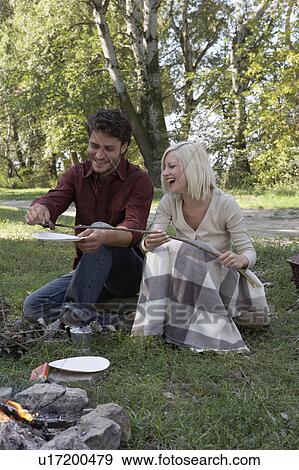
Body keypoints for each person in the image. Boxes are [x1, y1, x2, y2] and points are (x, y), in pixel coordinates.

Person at [131, 141, 270, 353]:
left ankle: (205, 330)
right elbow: (152, 237)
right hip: (184, 277)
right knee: (159, 250)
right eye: (165, 167)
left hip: (220, 277)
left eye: (172, 166)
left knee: (193, 249)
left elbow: (249, 252)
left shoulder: (225, 204)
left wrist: (240, 259)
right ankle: (150, 329)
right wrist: (148, 242)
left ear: (192, 167)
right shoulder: (170, 201)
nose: (165, 172)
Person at [24, 109, 154, 325]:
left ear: (124, 147)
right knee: (33, 306)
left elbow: (134, 229)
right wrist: (41, 209)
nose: (99, 155)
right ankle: (112, 321)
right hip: (88, 273)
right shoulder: (76, 174)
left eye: (108, 148)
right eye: (94, 146)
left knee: (102, 228)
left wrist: (104, 235)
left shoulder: (139, 180)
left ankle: (76, 313)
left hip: (127, 274)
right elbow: (54, 199)